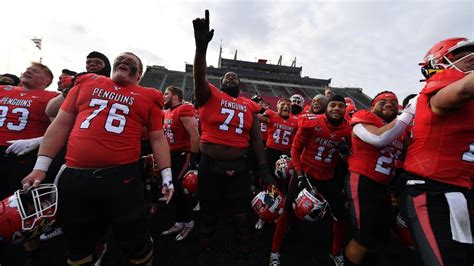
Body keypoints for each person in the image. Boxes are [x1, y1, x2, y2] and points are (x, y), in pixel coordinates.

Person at [21, 52, 173, 266]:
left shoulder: (149, 96)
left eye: (132, 62)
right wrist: (40, 166)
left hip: (122, 177)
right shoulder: (87, 82)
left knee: (134, 237)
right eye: (121, 58)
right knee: (77, 241)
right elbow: (61, 124)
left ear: (139, 76)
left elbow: (158, 137)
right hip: (76, 175)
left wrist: (167, 175)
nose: (125, 61)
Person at [193, 10, 273, 264]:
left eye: (234, 77)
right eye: (227, 75)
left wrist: (263, 170)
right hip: (209, 163)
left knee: (241, 213)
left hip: (238, 166)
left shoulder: (250, 105)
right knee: (208, 211)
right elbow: (199, 76)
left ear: (240, 85)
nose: (230, 77)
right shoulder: (211, 94)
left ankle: (245, 251)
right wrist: (201, 49)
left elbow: (257, 140)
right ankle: (204, 249)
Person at [400, 37, 474, 266]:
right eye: (462, 54)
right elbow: (460, 92)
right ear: (440, 62)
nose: (472, 57)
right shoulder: (440, 84)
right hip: (432, 190)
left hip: (463, 189)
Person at [269, 95, 351, 266]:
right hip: (305, 173)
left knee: (339, 216)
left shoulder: (349, 129)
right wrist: (299, 175)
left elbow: (352, 158)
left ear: (345, 110)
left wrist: (345, 153)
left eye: (340, 106)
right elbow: (295, 148)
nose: (336, 109)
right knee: (287, 211)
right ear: (327, 108)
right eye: (333, 105)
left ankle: (336, 252)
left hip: (328, 176)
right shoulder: (312, 122)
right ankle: (274, 251)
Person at [344, 90, 414, 265]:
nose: (389, 103)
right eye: (383, 101)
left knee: (386, 234)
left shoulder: (401, 131)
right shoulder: (363, 115)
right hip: (362, 181)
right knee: (364, 237)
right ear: (372, 105)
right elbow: (378, 138)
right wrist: (409, 113)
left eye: (393, 101)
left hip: (384, 187)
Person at [0, 63, 58, 199]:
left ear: (47, 81)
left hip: (21, 155)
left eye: (36, 72)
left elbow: (58, 128)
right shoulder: (3, 89)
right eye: (27, 70)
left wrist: (36, 142)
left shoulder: (51, 97)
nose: (29, 72)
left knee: (14, 199)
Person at [160, 85, 200, 241]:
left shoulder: (183, 109)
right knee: (172, 192)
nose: (164, 96)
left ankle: (188, 222)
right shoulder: (167, 111)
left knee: (179, 191)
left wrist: (193, 158)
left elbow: (195, 135)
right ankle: (179, 221)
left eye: (166, 93)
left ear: (175, 96)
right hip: (170, 154)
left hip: (184, 155)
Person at [46, 51, 111, 118]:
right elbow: (51, 110)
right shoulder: (79, 84)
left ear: (106, 66)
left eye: (98, 63)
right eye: (88, 62)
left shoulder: (114, 87)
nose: (92, 64)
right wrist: (72, 86)